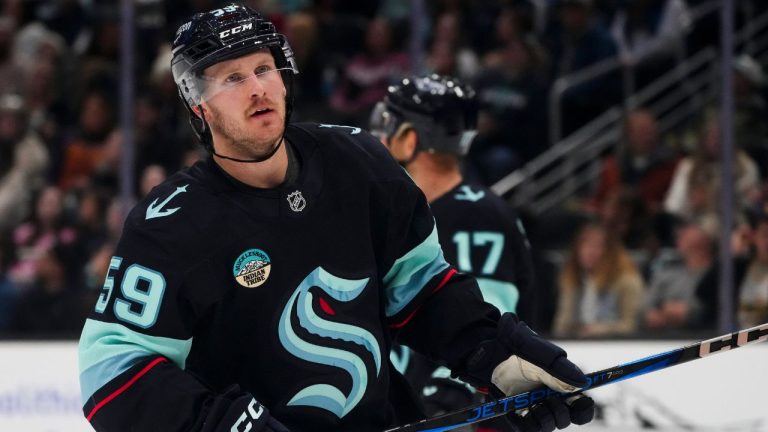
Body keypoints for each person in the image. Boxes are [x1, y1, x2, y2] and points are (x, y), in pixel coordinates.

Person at [78, 5, 594, 432]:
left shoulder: (359, 164)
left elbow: (421, 290)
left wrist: (494, 352)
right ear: (200, 108)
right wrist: (230, 426)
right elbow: (113, 374)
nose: (257, 87)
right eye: (232, 78)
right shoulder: (171, 225)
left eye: (263, 69)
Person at [369, 75, 538, 428]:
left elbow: (489, 323)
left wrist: (446, 403)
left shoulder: (477, 216)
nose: (378, 136)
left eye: (388, 124)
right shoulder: (401, 211)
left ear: (410, 138)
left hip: (456, 418)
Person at [553, 222, 645, 338]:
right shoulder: (573, 279)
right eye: (584, 245)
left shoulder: (628, 281)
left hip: (616, 345)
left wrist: (602, 330)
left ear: (611, 251)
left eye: (597, 246)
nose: (588, 252)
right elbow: (562, 325)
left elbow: (631, 325)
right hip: (576, 345)